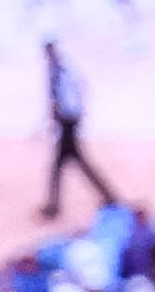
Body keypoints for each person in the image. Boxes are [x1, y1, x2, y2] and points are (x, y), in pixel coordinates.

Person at [40, 37, 122, 219]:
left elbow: (74, 91)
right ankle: (109, 197)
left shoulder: (64, 70)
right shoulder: (57, 70)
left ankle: (54, 206)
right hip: (67, 120)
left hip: (69, 120)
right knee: (70, 164)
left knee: (65, 164)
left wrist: (74, 113)